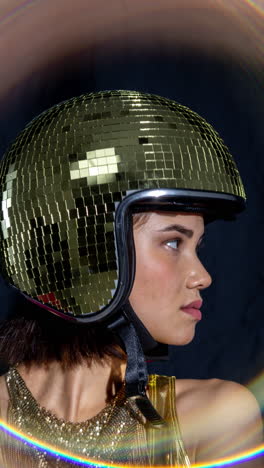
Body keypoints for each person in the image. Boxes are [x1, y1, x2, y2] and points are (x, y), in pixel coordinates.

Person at [0, 90, 262, 467]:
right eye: (173, 242)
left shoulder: (214, 419)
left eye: (197, 248)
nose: (202, 277)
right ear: (90, 254)